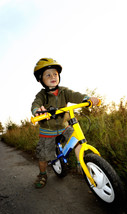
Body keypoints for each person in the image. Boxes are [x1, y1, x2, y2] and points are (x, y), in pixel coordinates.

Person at [31, 58, 99, 188]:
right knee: (43, 156)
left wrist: (87, 98)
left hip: (64, 126)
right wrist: (37, 111)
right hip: (48, 131)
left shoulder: (64, 91)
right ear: (40, 79)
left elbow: (75, 95)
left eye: (55, 74)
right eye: (48, 75)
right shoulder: (41, 95)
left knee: (78, 139)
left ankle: (81, 164)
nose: (53, 77)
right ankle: (43, 174)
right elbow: (35, 104)